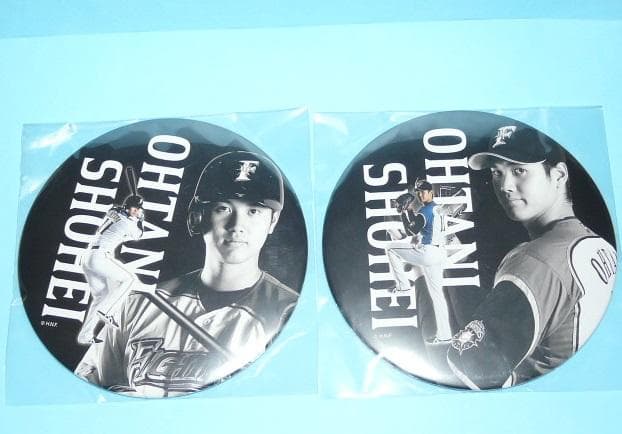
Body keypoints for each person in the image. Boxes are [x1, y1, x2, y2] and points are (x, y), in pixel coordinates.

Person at [75, 151, 299, 397]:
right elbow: (87, 389)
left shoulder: (288, 313)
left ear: (273, 220)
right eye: (223, 208)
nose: (237, 226)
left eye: (254, 211)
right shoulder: (137, 304)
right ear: (198, 216)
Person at [447, 125, 617, 389]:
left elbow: (471, 364)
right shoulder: (597, 244)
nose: (505, 186)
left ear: (558, 175)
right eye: (496, 172)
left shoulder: (537, 260)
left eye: (519, 171)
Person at [386, 179, 453, 343]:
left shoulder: (425, 211)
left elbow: (411, 230)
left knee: (390, 248)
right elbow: (419, 228)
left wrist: (404, 212)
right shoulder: (437, 208)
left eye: (423, 191)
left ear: (431, 192)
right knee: (437, 296)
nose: (420, 195)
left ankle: (403, 285)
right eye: (419, 192)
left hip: (428, 253)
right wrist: (408, 212)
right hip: (440, 253)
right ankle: (445, 336)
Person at [77, 194, 145, 345]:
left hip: (87, 257)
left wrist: (126, 211)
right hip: (99, 257)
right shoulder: (128, 224)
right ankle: (107, 311)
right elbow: (138, 235)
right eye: (134, 208)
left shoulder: (113, 212)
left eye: (138, 208)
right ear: (127, 208)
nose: (136, 211)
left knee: (101, 296)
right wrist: (141, 219)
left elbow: (113, 211)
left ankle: (85, 336)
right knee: (130, 279)